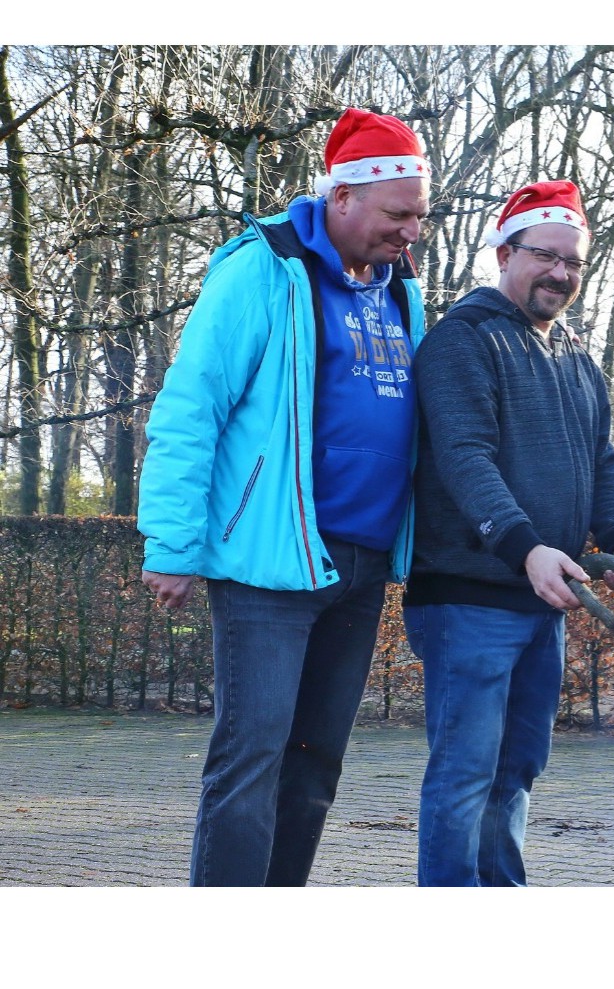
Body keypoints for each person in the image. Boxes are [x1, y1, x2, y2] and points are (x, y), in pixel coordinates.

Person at [138, 108, 431, 886]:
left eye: (418, 217)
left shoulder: (401, 289)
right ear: (342, 198)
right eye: (397, 214)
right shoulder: (260, 270)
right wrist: (172, 546)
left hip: (362, 565)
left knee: (315, 766)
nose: (410, 232)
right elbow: (189, 408)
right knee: (252, 761)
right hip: (268, 567)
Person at [406, 179, 614, 887]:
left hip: (542, 602)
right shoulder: (462, 341)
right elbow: (464, 458)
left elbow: (601, 454)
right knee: (465, 775)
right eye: (547, 257)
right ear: (506, 252)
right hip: (470, 600)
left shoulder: (572, 351)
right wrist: (524, 545)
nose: (562, 275)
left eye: (574, 263)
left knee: (516, 772)